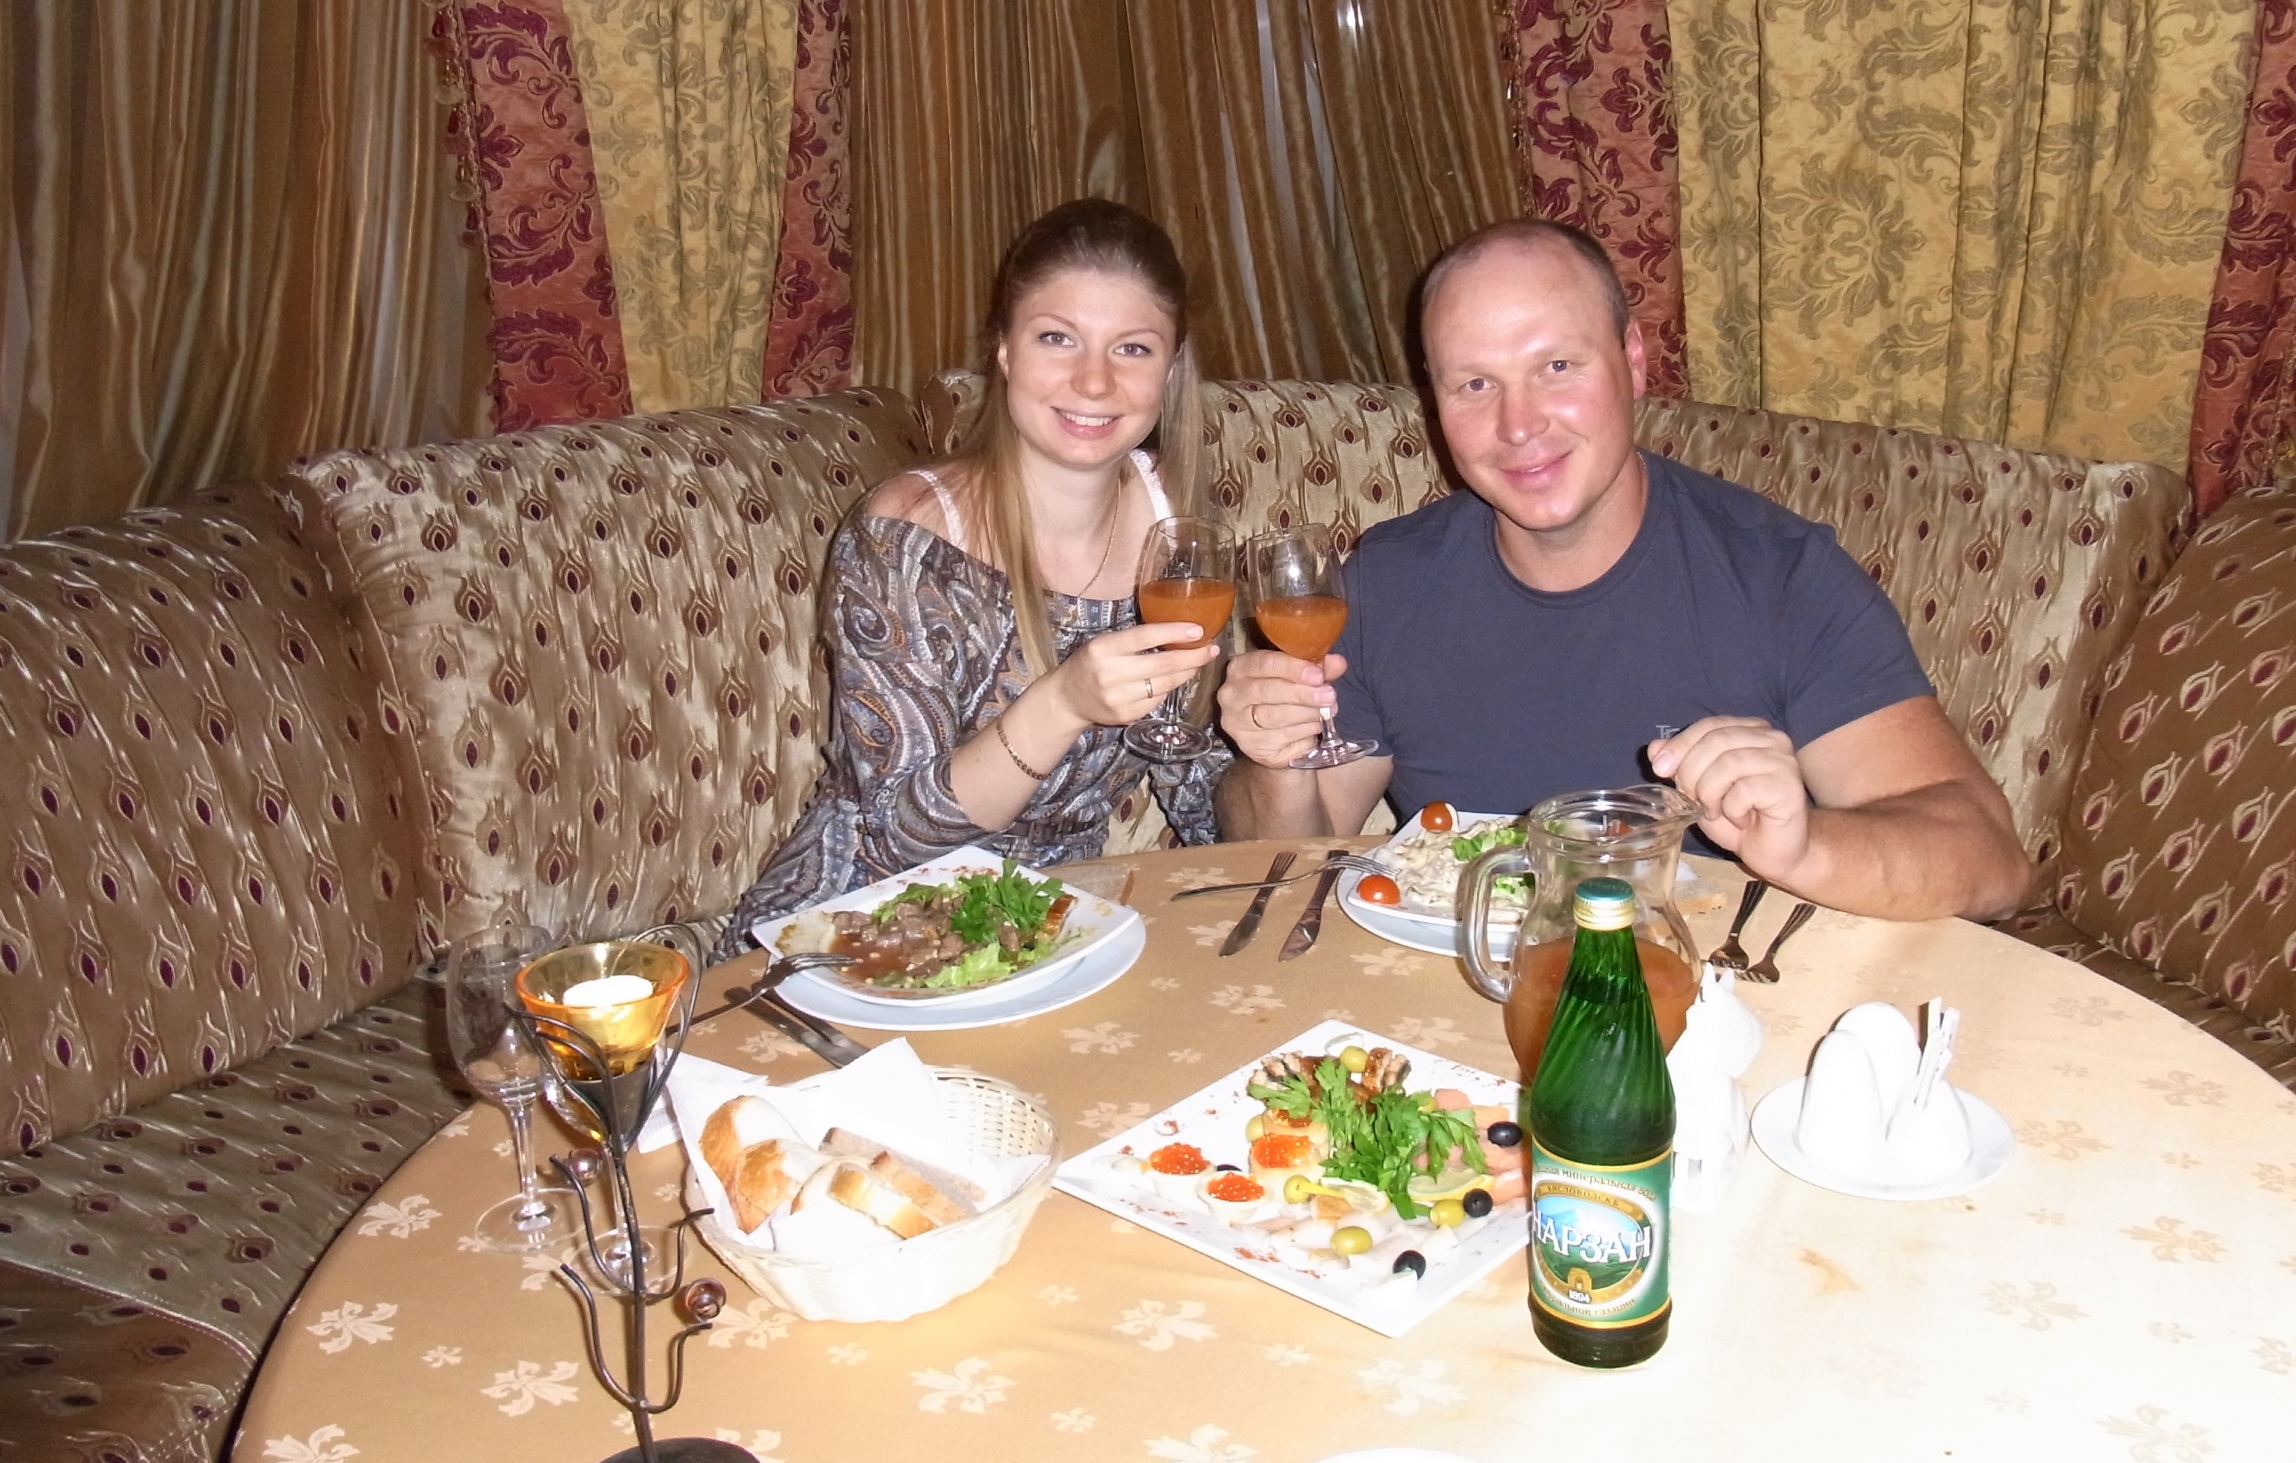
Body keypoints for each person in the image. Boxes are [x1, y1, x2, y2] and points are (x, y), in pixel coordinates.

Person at [1214, 218, 2033, 923]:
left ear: (1633, 360)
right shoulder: (1386, 582)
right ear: (1435, 405)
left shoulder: (1779, 577)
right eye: (1475, 384)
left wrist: (1805, 846)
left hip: (1713, 1004)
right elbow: (1289, 860)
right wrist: (1274, 758)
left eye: (1557, 367)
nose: (1518, 425)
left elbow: (1992, 861)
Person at [724, 199, 1231, 951]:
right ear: (1004, 350)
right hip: (850, 935)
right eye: (1056, 338)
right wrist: (1063, 703)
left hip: (1046, 936)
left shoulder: (1173, 524)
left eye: (1132, 348)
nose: (1093, 381)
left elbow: (1200, 797)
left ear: (1171, 367)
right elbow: (898, 834)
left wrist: (1272, 745)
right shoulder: (905, 535)